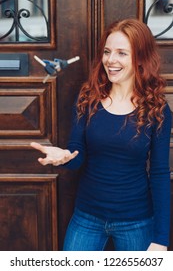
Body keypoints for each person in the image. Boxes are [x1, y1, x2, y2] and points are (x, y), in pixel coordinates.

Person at [31, 18, 172, 251]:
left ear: (140, 57)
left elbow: (159, 174)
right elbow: (77, 156)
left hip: (136, 221)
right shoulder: (88, 97)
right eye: (107, 52)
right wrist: (65, 156)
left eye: (121, 53)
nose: (110, 60)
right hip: (87, 217)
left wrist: (161, 239)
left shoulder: (157, 110)